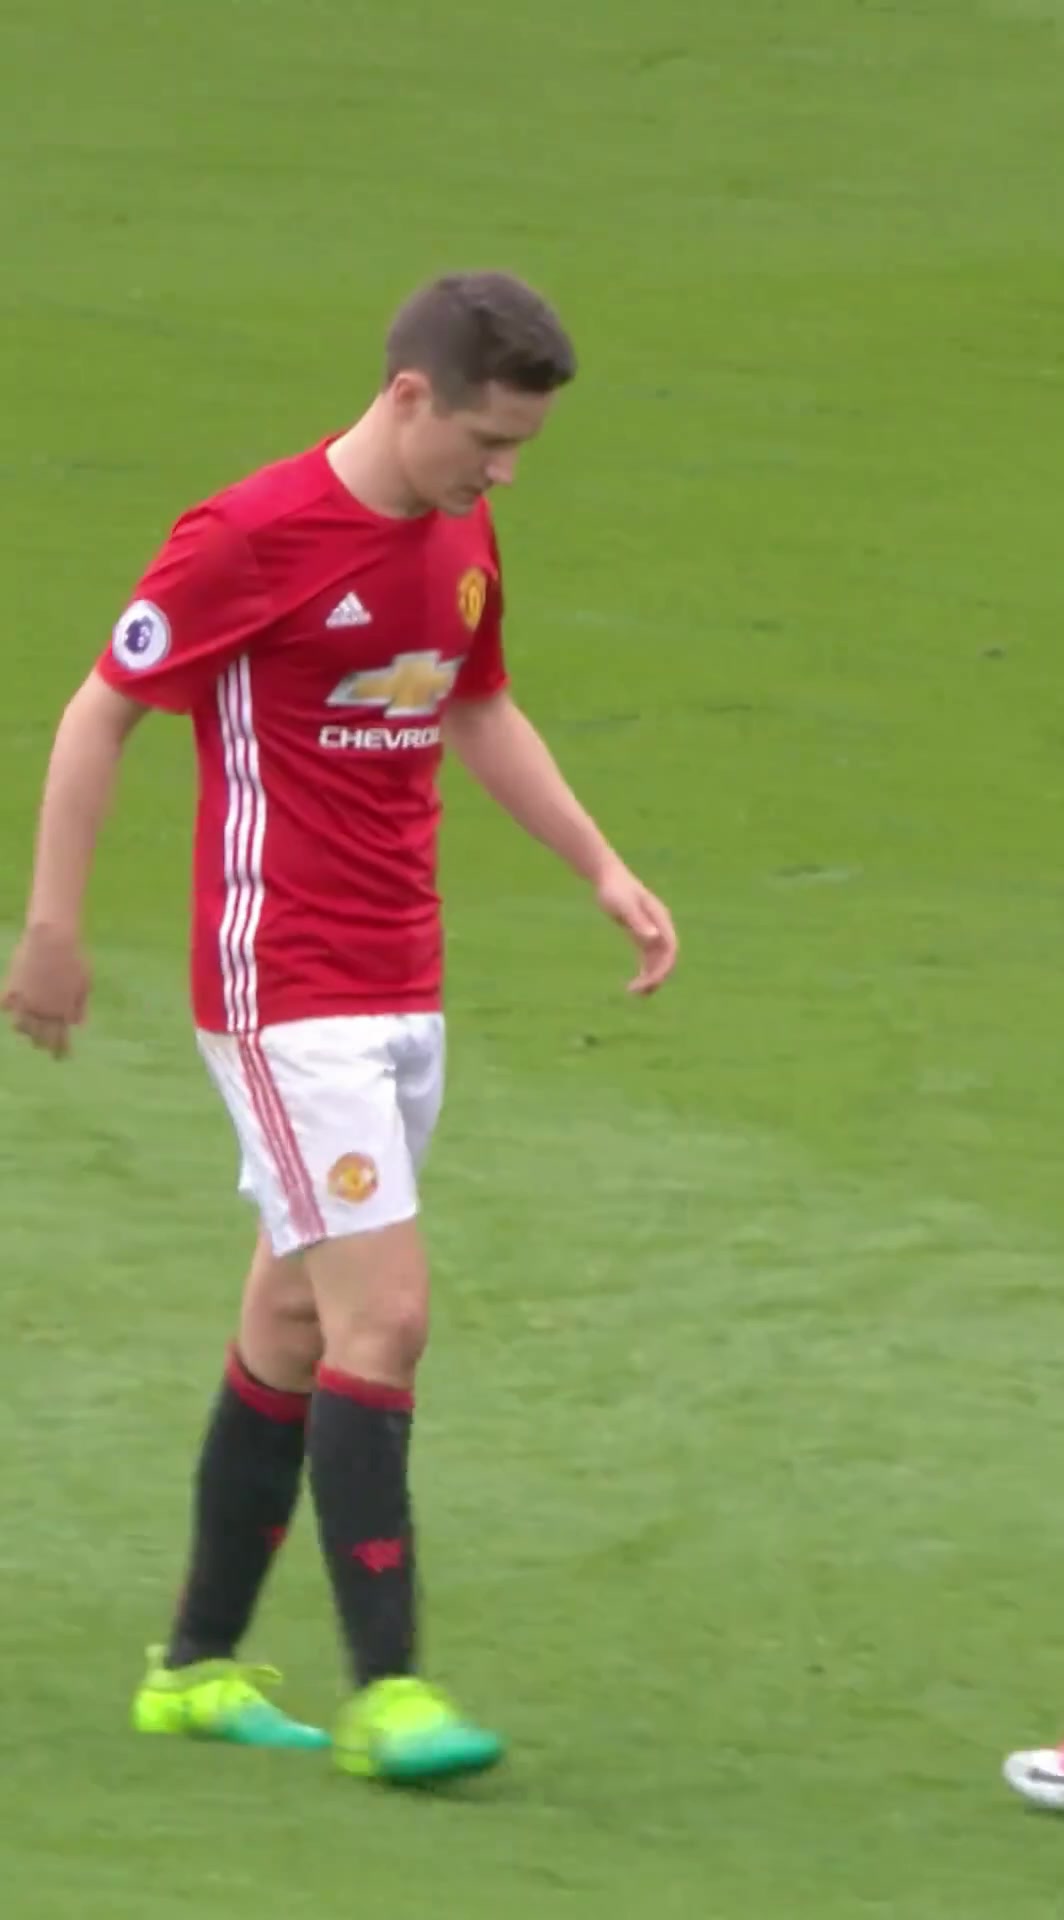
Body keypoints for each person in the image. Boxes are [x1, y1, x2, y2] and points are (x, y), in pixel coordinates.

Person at [2, 270, 679, 1785]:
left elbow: (475, 702)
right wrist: (52, 928)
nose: (503, 475)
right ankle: (390, 1694)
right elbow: (100, 709)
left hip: (399, 982)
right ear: (410, 396)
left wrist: (600, 866)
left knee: (296, 1321)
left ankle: (194, 1670)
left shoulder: (458, 528)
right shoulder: (249, 537)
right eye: (489, 443)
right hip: (281, 987)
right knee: (388, 1315)